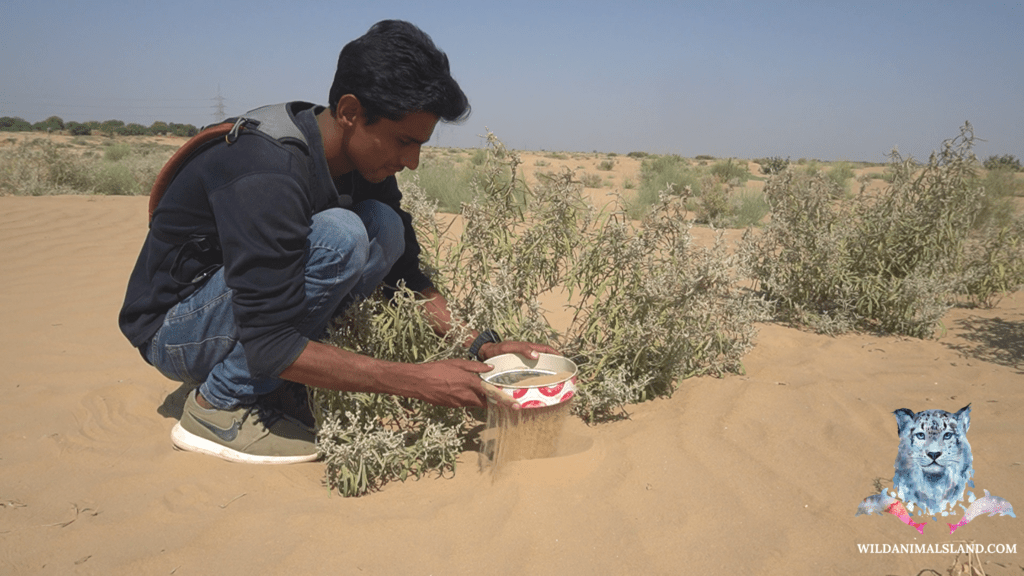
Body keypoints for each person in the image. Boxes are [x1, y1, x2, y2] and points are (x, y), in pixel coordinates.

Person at [119, 20, 557, 465]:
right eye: (405, 141)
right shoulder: (266, 167)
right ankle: (219, 408)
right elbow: (269, 342)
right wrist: (416, 380)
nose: (412, 161)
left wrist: (480, 345)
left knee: (382, 226)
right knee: (341, 235)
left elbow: (404, 276)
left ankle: (278, 383)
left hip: (243, 314)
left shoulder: (365, 166)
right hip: (174, 332)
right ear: (350, 112)